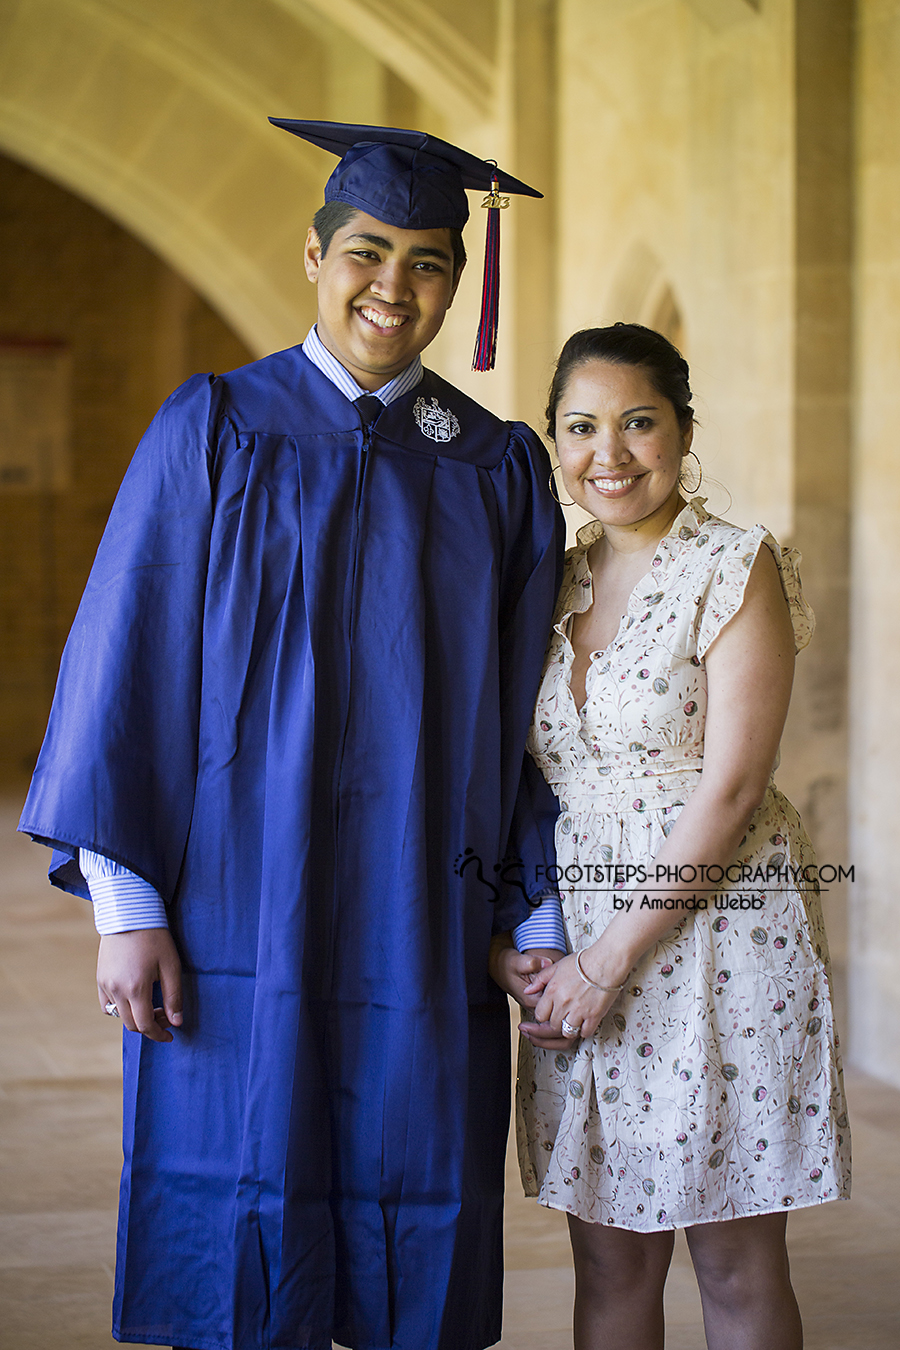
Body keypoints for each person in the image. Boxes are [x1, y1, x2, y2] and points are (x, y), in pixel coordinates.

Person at [19, 121, 565, 1350]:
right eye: (369, 252)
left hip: (423, 912)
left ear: (456, 286)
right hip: (230, 905)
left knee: (412, 1192)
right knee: (232, 1201)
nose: (396, 286)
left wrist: (530, 921)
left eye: (430, 262)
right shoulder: (214, 428)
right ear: (313, 255)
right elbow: (124, 662)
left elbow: (540, 715)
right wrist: (127, 906)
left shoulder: (497, 467)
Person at [510, 324, 850, 1350]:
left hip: (717, 937)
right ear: (554, 443)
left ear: (684, 432)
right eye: (580, 426)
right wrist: (531, 942)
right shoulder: (547, 579)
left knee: (733, 1259)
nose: (607, 452)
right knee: (608, 1259)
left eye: (637, 422)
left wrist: (606, 963)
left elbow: (734, 786)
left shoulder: (734, 564)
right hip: (579, 946)